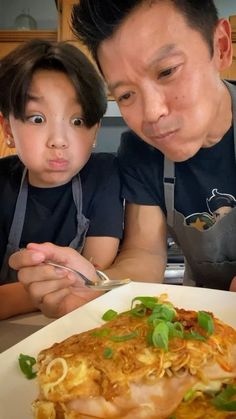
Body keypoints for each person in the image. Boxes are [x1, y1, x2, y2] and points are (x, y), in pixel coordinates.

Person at [10, 0, 236, 319]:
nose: (152, 113)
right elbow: (144, 254)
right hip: (203, 322)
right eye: (127, 95)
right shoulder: (140, 151)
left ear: (221, 47)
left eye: (167, 71)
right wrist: (95, 286)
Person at [0, 39, 124, 319]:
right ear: (8, 128)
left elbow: (93, 276)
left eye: (77, 121)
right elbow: (83, 282)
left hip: (80, 326)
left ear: (95, 132)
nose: (59, 141)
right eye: (37, 119)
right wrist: (70, 283)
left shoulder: (104, 175)